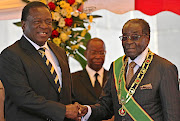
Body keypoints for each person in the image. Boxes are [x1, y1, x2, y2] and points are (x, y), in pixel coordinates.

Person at [79, 18, 180, 121]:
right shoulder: (115, 66)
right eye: (124, 37)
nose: (128, 42)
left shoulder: (164, 68)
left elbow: (172, 115)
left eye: (135, 37)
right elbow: (106, 106)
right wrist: (87, 111)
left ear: (147, 38)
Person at [0, 2, 79, 121]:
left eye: (48, 21)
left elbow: (65, 93)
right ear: (23, 25)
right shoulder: (10, 55)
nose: (44, 26)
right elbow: (23, 97)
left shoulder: (59, 52)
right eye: (37, 21)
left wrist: (76, 108)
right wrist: (64, 111)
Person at [72, 38, 114, 121]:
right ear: (85, 54)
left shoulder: (114, 77)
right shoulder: (72, 79)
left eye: (101, 53)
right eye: (94, 53)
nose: (98, 57)